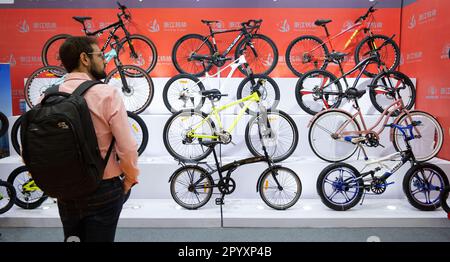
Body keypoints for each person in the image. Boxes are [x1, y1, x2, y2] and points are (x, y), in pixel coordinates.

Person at [51, 36, 139, 242]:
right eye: (99, 55)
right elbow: (127, 148)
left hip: (66, 191)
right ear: (85, 58)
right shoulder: (106, 94)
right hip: (103, 187)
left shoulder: (48, 97)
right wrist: (128, 180)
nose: (104, 60)